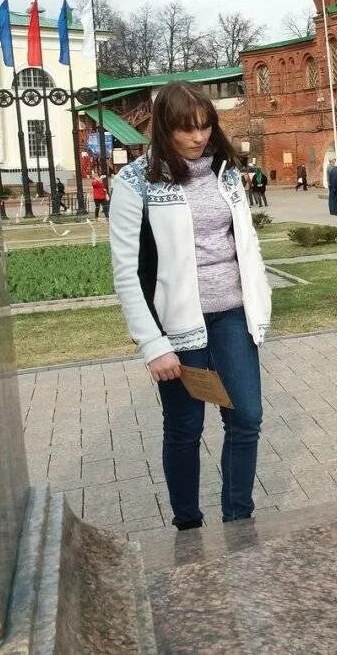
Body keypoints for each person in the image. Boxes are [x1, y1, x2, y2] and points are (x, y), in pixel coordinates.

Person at [109, 81, 271, 530]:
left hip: (232, 314)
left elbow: (244, 242)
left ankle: (238, 517)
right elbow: (126, 271)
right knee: (185, 428)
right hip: (178, 325)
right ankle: (188, 523)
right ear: (165, 129)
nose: (198, 137)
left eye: (205, 126)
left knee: (247, 417)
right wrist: (152, 344)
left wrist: (260, 300)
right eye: (186, 129)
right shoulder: (134, 181)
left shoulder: (226, 171)